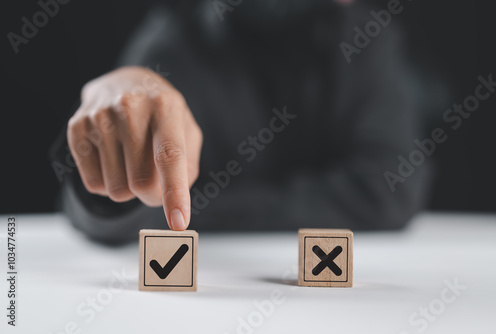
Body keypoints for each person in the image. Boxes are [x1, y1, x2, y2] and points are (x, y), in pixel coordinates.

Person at [51, 0, 442, 244]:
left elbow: (388, 192)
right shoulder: (175, 40)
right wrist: (109, 150)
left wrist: (194, 212)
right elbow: (108, 212)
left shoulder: (366, 38)